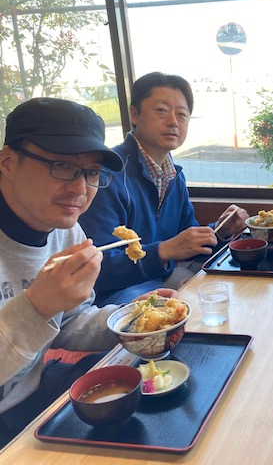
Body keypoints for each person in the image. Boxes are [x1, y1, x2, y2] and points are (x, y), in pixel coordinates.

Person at [0, 97, 177, 447]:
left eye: (92, 173)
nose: (80, 189)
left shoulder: (66, 231)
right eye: (62, 166)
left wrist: (130, 319)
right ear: (8, 162)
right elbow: (43, 313)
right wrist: (37, 307)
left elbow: (71, 322)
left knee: (157, 389)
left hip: (33, 390)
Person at [79, 72, 249, 306]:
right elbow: (97, 266)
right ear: (134, 115)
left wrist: (220, 231)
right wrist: (162, 251)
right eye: (161, 111)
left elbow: (186, 239)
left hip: (161, 276)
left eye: (182, 114)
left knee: (234, 285)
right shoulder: (107, 175)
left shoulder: (173, 175)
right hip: (116, 293)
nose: (173, 122)